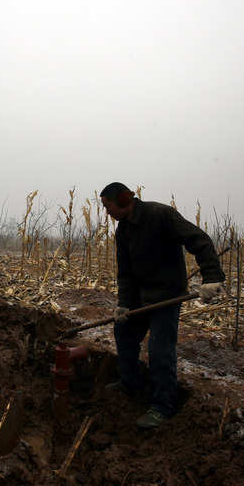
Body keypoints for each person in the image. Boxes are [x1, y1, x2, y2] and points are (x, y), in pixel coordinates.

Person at [100, 182, 225, 429]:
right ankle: (130, 383)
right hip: (140, 298)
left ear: (124, 200)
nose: (107, 212)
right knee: (123, 331)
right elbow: (125, 273)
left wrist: (212, 278)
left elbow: (199, 240)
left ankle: (163, 406)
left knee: (159, 349)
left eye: (108, 206)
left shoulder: (160, 215)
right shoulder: (123, 231)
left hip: (167, 296)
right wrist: (124, 305)